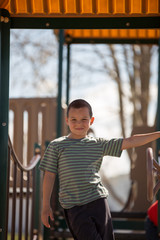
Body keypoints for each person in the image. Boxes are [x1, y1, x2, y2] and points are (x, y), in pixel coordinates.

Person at [39, 99, 160, 240]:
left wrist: (158, 134)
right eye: (74, 120)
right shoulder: (56, 146)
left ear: (91, 120)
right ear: (67, 120)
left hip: (98, 202)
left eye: (84, 119)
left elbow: (131, 141)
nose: (79, 124)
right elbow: (49, 175)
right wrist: (46, 205)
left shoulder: (98, 144)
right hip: (74, 206)